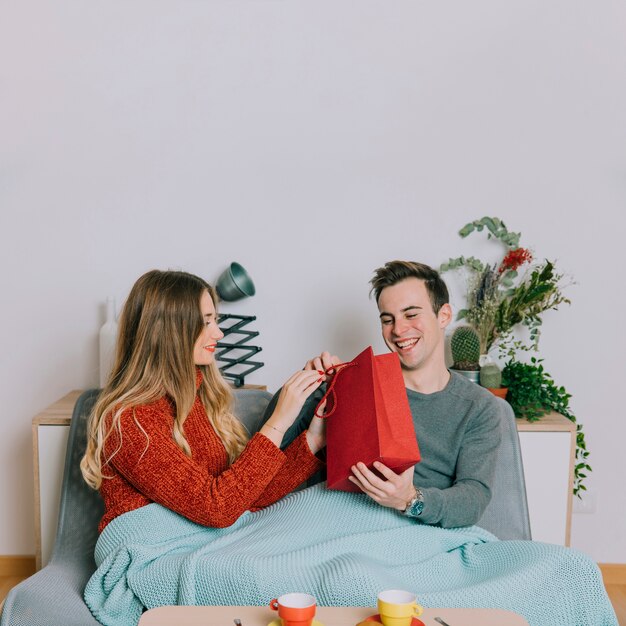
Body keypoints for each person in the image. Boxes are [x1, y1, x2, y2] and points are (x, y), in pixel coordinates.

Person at [80, 269, 327, 532]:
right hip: (151, 554)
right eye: (206, 321)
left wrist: (313, 439)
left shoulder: (197, 400)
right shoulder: (129, 421)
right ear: (171, 332)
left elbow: (243, 500)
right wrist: (278, 422)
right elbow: (217, 508)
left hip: (203, 541)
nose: (218, 334)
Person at [264, 259, 502, 528]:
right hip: (341, 525)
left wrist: (409, 499)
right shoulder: (353, 383)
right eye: (388, 320)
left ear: (444, 315)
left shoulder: (479, 407)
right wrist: (304, 387)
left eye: (411, 315)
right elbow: (262, 465)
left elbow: (473, 498)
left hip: (423, 532)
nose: (398, 330)